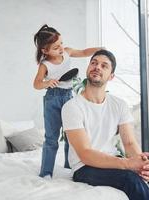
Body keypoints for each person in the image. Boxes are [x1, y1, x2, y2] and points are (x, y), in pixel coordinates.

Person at [61, 49, 149, 200]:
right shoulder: (72, 107)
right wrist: (127, 164)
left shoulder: (119, 104)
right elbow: (85, 154)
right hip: (85, 167)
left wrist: (142, 164)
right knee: (129, 179)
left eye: (104, 65)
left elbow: (129, 142)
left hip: (112, 160)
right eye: (94, 63)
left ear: (111, 76)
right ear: (88, 69)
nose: (97, 67)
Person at [33, 24, 102, 178]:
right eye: (56, 47)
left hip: (69, 97)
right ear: (45, 50)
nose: (61, 48)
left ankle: (69, 166)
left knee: (71, 135)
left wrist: (99, 49)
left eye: (61, 44)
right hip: (52, 99)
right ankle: (46, 172)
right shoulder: (45, 65)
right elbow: (36, 84)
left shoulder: (68, 53)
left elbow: (84, 52)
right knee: (51, 138)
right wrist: (46, 83)